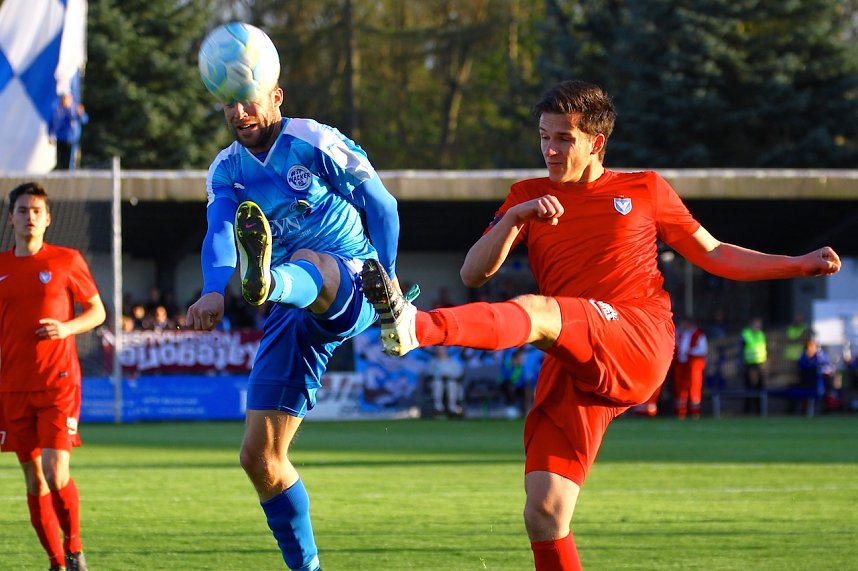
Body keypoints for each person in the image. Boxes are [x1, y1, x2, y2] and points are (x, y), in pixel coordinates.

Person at [360, 79, 842, 570]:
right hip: (574, 357)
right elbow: (472, 273)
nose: (550, 149)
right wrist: (515, 218)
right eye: (544, 136)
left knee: (540, 310)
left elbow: (715, 253)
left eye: (563, 138)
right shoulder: (527, 196)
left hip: (637, 335)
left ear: (596, 142)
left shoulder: (645, 189)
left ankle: (417, 327)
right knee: (545, 513)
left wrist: (798, 264)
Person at [184, 25, 401, 571]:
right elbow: (218, 230)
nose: (239, 113)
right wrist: (211, 290)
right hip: (291, 307)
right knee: (259, 458)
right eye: (229, 104)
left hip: (353, 279)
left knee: (311, 260)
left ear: (276, 96)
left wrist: (389, 284)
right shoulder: (226, 169)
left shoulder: (314, 141)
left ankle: (267, 281)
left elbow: (382, 204)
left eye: (249, 100)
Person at [0, 182, 105, 571]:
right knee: (34, 480)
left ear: (48, 219)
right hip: (13, 386)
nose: (29, 217)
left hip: (58, 382)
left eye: (36, 211)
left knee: (55, 471)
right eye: (22, 210)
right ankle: (56, 562)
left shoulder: (66, 260)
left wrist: (66, 328)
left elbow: (97, 312)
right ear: (10, 218)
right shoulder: (1, 267)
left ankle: (74, 550)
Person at [673, 315, 708, 419]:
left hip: (693, 365)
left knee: (694, 387)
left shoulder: (698, 334)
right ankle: (680, 412)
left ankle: (694, 412)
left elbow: (702, 350)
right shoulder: (678, 333)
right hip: (680, 365)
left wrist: (690, 352)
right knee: (680, 388)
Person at [48, 93, 88, 170]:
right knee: (60, 159)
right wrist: (50, 134)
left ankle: (69, 174)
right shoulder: (57, 109)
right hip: (60, 139)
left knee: (70, 161)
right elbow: (52, 123)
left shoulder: (75, 109)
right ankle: (60, 172)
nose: (65, 100)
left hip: (71, 139)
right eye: (63, 98)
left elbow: (84, 120)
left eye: (67, 98)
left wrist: (81, 114)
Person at [426, 345, 465, 416]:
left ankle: (452, 407)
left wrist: (449, 376)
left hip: (451, 381)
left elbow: (459, 373)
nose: (440, 352)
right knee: (437, 383)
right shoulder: (433, 362)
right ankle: (438, 407)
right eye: (438, 350)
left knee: (451, 384)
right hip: (438, 381)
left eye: (442, 350)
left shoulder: (453, 362)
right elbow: (429, 373)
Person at [740, 316, 768, 413]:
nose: (758, 326)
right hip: (750, 365)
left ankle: (759, 410)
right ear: (751, 324)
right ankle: (747, 410)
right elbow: (740, 350)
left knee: (760, 387)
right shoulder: (745, 334)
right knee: (750, 387)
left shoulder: (761, 334)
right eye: (756, 324)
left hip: (761, 364)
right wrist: (741, 364)